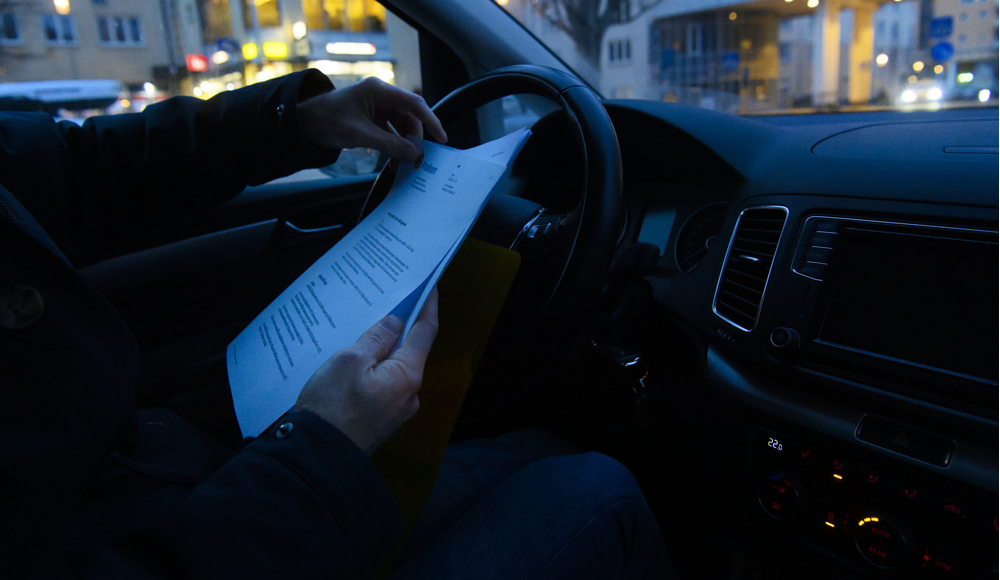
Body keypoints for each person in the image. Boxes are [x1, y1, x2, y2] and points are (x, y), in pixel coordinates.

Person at [0, 70, 672, 578]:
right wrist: (314, 457)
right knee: (600, 491)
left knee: (542, 449)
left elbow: (76, 168)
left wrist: (297, 120)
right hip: (219, 537)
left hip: (183, 490)